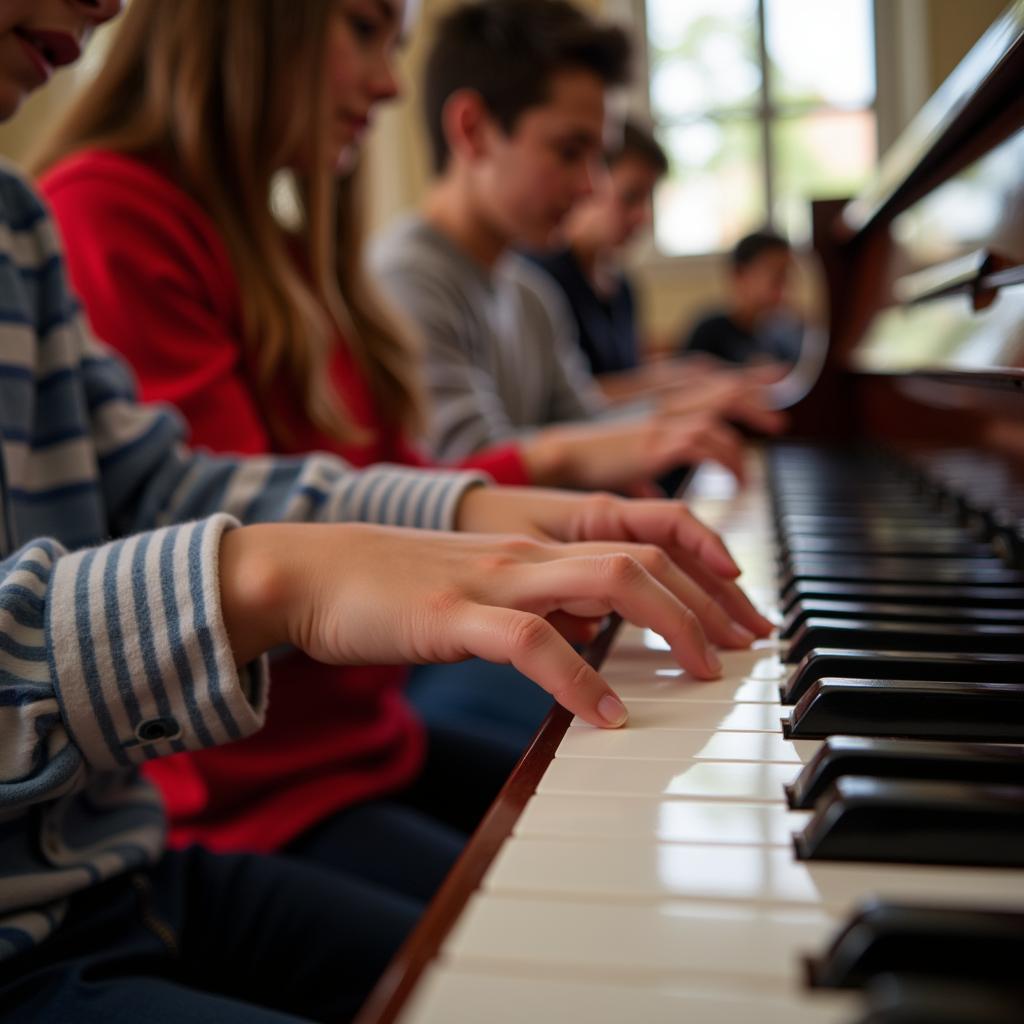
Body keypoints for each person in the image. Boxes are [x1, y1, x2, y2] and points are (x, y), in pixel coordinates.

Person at [0, 2, 771, 1019]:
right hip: (244, 797)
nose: (390, 83)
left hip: (130, 861)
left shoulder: (24, 221)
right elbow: (201, 539)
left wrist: (488, 513)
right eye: (363, 27)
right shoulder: (104, 210)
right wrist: (293, 574)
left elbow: (170, 489)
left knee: (602, 950)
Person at [371, 0, 781, 485]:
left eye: (598, 160)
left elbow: (585, 427)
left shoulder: (530, 294)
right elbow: (468, 473)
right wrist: (667, 422)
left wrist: (687, 414)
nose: (591, 187)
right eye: (569, 152)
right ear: (473, 129)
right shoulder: (406, 277)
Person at [682, 229, 804, 365]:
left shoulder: (786, 334)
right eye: (777, 277)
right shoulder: (709, 333)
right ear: (739, 274)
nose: (784, 287)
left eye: (786, 277)